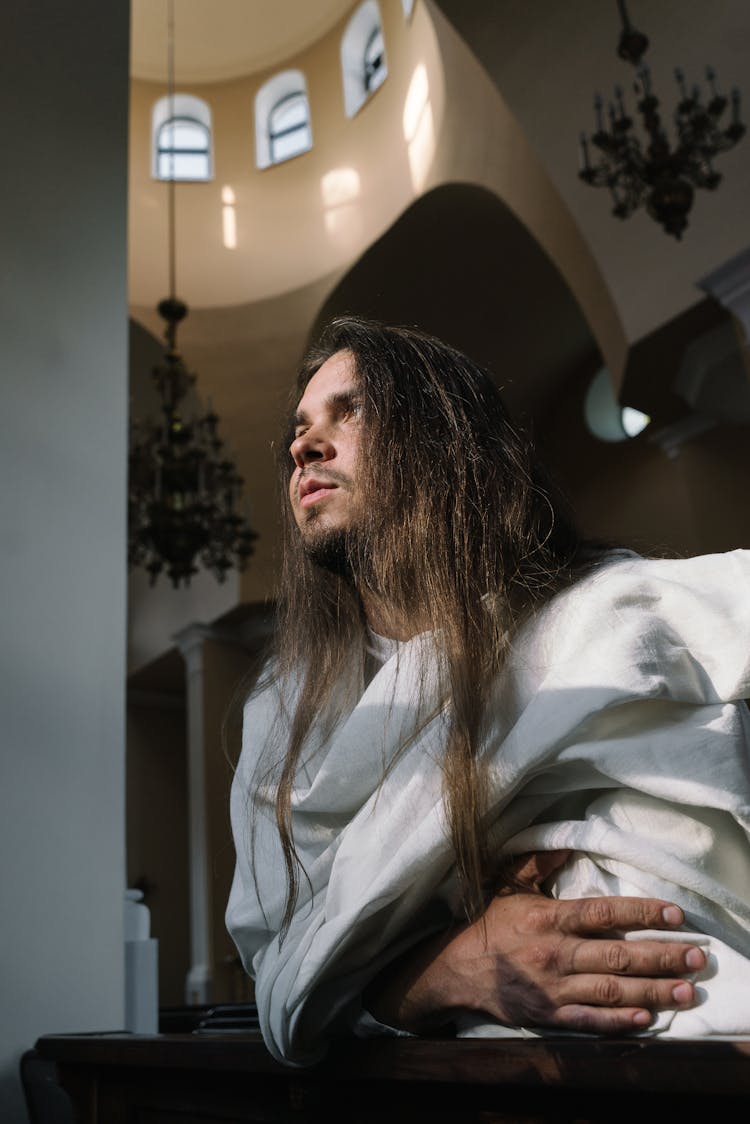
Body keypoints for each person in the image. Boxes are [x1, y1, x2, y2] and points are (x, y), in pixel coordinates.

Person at [225, 315, 750, 1066]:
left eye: (353, 410)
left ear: (444, 442)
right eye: (301, 427)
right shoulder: (282, 718)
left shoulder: (603, 615)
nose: (303, 445)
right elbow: (284, 971)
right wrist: (445, 968)